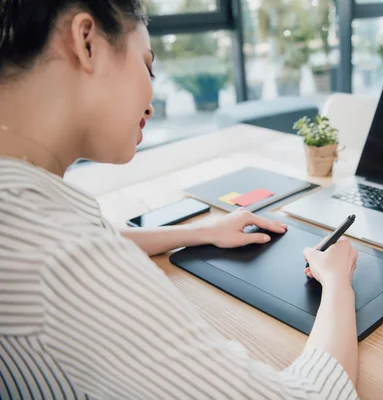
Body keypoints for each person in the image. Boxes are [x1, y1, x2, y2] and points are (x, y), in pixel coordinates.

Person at [0, 1, 359, 399]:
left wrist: (204, 231)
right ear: (86, 42)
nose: (152, 104)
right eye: (147, 65)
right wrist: (337, 283)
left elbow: (98, 234)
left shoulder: (23, 211)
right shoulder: (57, 262)